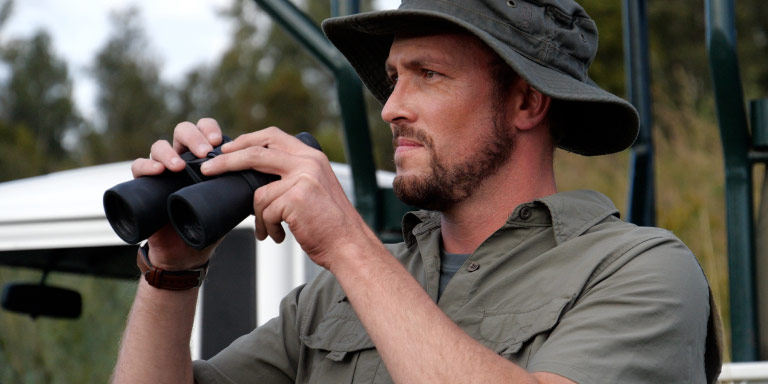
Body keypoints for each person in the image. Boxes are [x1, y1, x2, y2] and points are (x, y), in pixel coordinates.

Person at [112, 0, 722, 383]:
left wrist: (348, 242)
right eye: (394, 79)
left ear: (527, 100)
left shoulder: (640, 271)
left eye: (428, 75)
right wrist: (171, 272)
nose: (392, 109)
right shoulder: (330, 303)